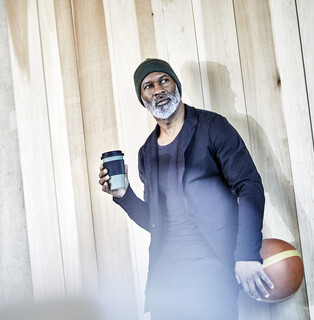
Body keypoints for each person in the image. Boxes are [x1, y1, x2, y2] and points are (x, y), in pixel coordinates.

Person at [98, 58, 273, 319]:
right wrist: (125, 197)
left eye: (164, 80)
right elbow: (157, 222)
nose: (158, 89)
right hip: (165, 280)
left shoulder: (213, 127)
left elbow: (249, 186)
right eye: (148, 86)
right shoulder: (146, 152)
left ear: (175, 85)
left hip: (211, 271)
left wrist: (247, 253)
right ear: (142, 98)